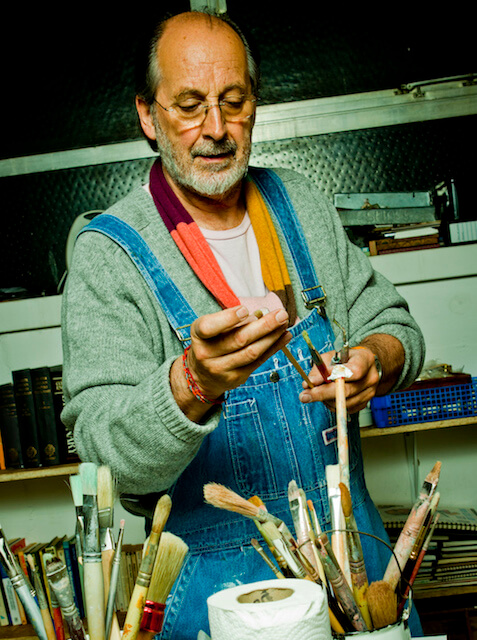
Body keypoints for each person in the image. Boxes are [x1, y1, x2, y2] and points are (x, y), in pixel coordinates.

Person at [61, 10, 425, 639]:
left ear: (256, 104)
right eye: (190, 105)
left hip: (359, 588)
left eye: (234, 102)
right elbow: (106, 458)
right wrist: (191, 383)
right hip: (221, 607)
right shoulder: (108, 254)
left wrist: (377, 357)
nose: (216, 130)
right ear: (148, 116)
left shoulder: (300, 204)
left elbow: (396, 326)